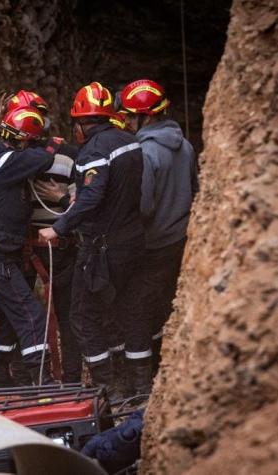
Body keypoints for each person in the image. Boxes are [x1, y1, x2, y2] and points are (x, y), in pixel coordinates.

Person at [38, 82, 152, 398]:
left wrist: (57, 228)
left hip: (103, 248)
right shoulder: (130, 141)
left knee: (83, 316)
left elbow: (91, 198)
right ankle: (139, 388)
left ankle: (109, 390)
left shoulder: (94, 151)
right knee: (128, 311)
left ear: (81, 123)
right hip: (134, 241)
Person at [0, 91, 83, 385]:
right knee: (31, 316)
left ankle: (1, 379)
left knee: (11, 316)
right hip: (10, 251)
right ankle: (40, 382)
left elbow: (85, 203)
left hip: (30, 249)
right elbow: (42, 159)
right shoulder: (26, 159)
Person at [120, 79, 198, 375]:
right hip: (179, 240)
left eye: (130, 115)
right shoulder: (186, 146)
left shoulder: (145, 152)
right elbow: (194, 190)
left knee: (138, 308)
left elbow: (144, 207)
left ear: (147, 116)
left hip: (152, 244)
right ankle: (165, 368)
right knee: (166, 306)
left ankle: (142, 380)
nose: (126, 121)